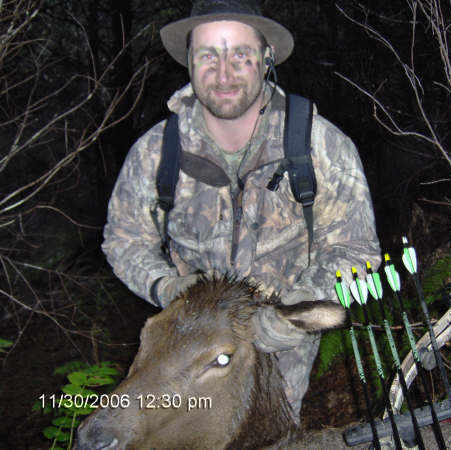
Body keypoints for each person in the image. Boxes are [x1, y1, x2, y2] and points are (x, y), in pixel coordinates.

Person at [102, 0, 381, 421]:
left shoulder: (320, 146)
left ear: (266, 57)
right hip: (189, 352)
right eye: (207, 56)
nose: (224, 73)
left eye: (240, 54)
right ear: (189, 62)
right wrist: (164, 286)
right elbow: (123, 241)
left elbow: (357, 251)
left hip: (281, 358)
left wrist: (299, 309)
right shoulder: (155, 153)